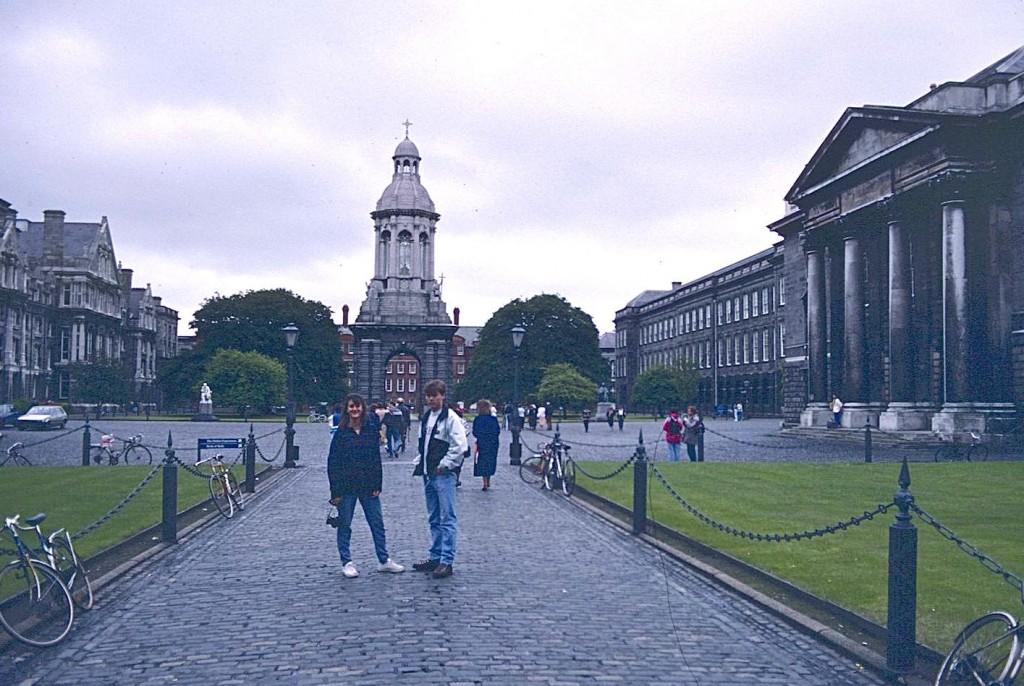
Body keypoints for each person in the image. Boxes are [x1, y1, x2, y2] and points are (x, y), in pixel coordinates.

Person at [327, 393, 405, 578]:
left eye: (357, 406)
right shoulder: (341, 433)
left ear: (362, 408)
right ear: (347, 409)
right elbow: (333, 463)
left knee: (377, 523)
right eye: (351, 406)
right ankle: (347, 562)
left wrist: (378, 483)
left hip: (368, 486)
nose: (354, 409)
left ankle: (384, 560)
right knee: (345, 525)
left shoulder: (370, 431)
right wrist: (335, 491)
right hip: (346, 487)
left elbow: (375, 460)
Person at [412, 380, 468, 579]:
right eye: (428, 396)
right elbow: (424, 444)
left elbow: (460, 446)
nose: (431, 399)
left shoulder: (451, 418)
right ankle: (435, 557)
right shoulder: (427, 416)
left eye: (434, 395)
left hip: (443, 475)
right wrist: (421, 460)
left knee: (447, 519)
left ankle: (446, 561)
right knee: (434, 518)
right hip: (428, 474)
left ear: (442, 396)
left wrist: (445, 464)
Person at [472, 399, 500, 490]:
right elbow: (497, 431)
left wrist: (481, 436)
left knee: (483, 461)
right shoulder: (493, 419)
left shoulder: (477, 419)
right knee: (490, 461)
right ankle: (488, 479)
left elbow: (475, 432)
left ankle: (484, 481)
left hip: (482, 443)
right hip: (493, 443)